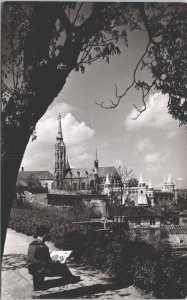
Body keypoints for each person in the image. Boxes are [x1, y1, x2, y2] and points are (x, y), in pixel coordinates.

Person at [27, 225, 80, 290]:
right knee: (62, 265)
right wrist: (60, 259)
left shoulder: (32, 244)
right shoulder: (43, 247)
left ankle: (38, 284)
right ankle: (71, 278)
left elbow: (37, 257)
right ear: (44, 235)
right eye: (47, 234)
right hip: (40, 269)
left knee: (56, 261)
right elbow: (48, 262)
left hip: (32, 269)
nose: (47, 236)